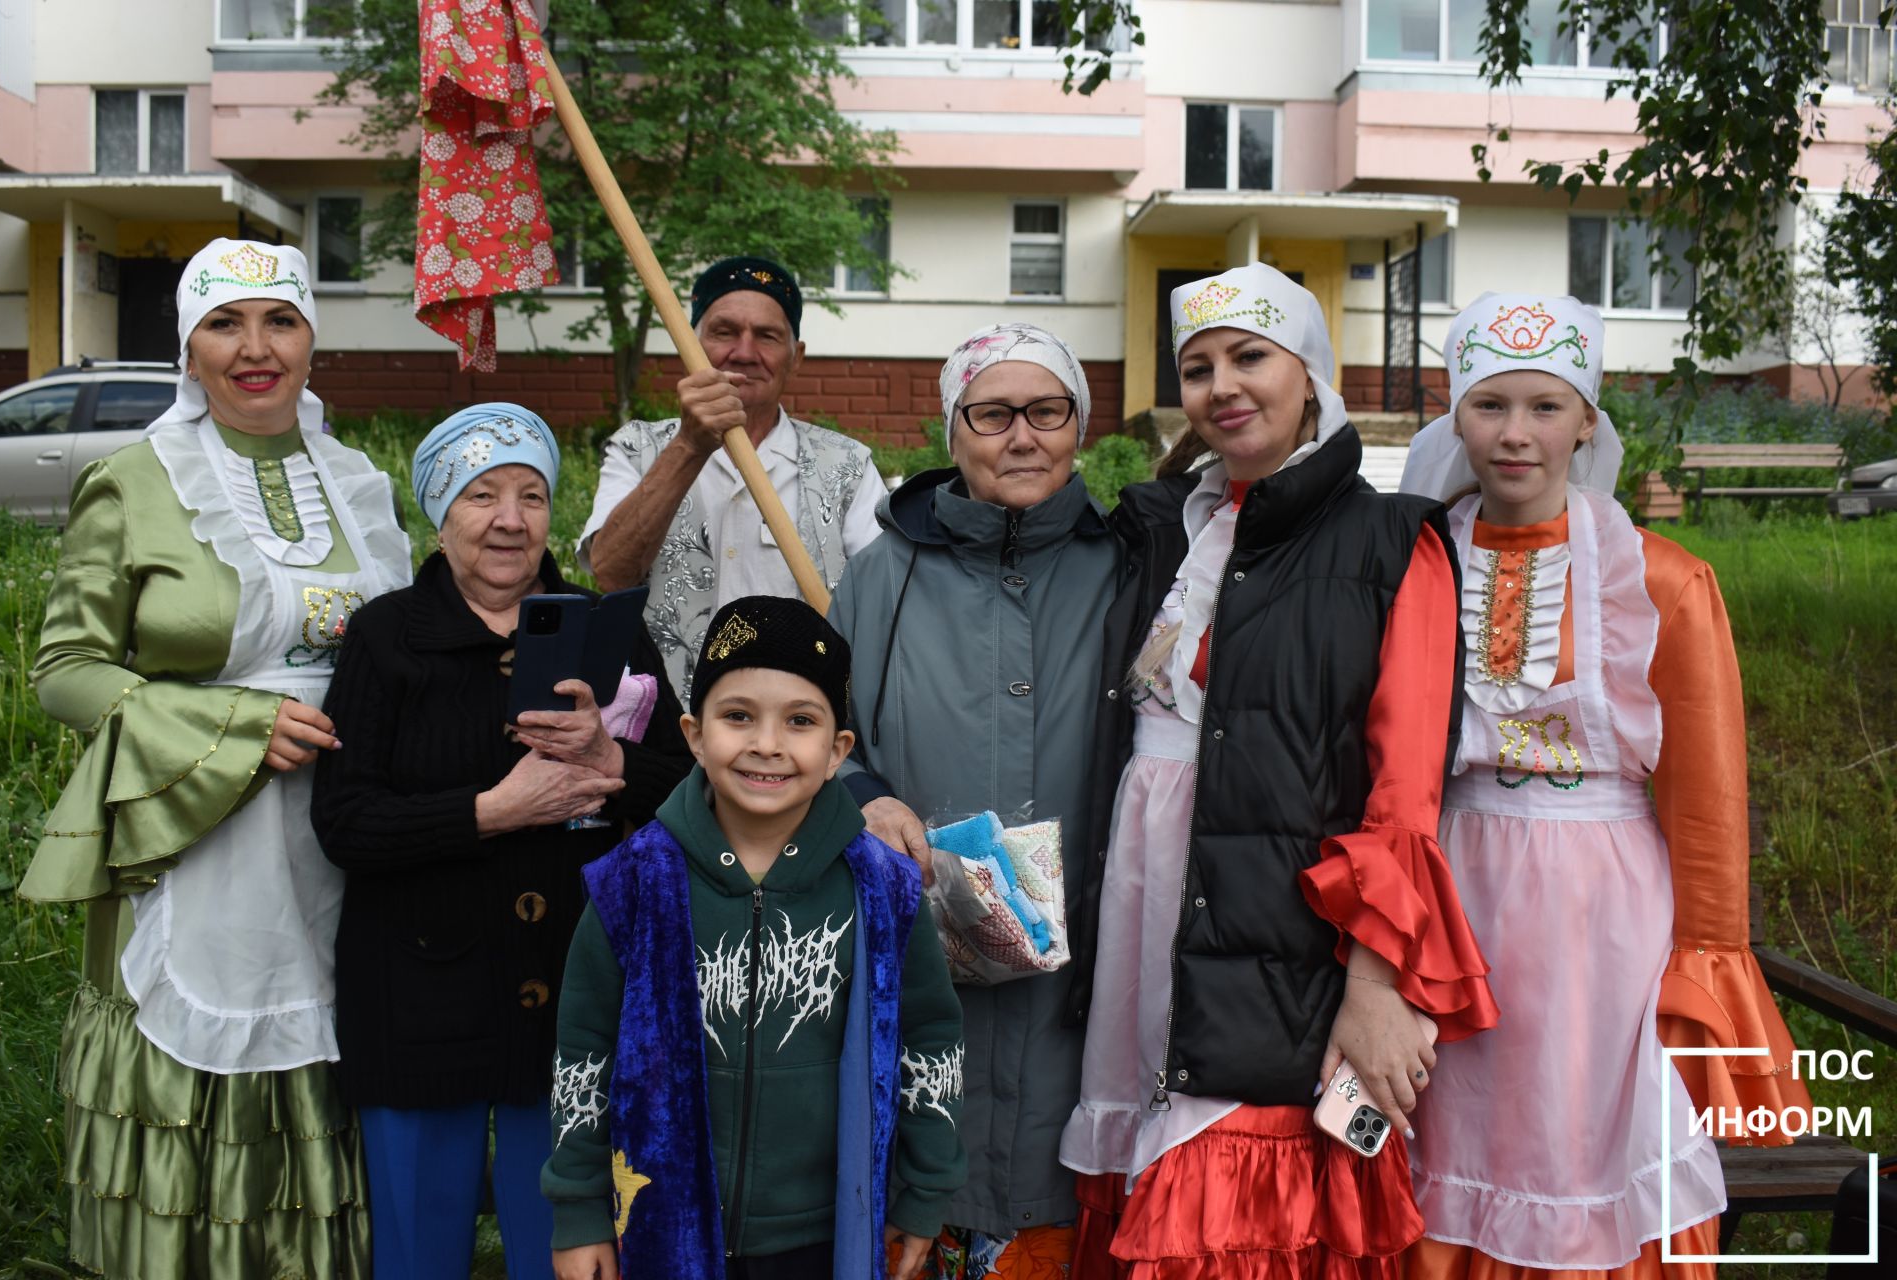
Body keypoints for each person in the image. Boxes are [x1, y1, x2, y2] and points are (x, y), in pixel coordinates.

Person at [1060, 263, 1501, 1278]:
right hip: (1141, 894)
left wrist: (1376, 976)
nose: (1224, 384)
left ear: (1310, 372)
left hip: (1283, 917)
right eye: (1199, 366)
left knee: (1245, 1193)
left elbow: (1404, 789)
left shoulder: (1392, 540)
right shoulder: (1165, 529)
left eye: (1251, 356)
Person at [1396, 294, 1812, 1276]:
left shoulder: (1662, 580)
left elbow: (1707, 801)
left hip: (1606, 916)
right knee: (1458, 1127)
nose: (1516, 433)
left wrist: (1704, 961)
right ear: (1456, 416)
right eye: (1490, 404)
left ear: (1588, 419)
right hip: (1454, 891)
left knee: (1585, 1135)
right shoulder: (1412, 564)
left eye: (1546, 406)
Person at [19, 238, 412, 1277]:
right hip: (186, 826)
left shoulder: (360, 483)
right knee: (196, 1031)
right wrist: (230, 730)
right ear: (187, 348)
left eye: (278, 321)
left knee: (327, 1026)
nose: (254, 348)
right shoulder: (137, 479)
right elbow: (66, 666)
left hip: (336, 833)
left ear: (310, 341)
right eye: (223, 324)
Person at [307, 404, 691, 1280]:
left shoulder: (611, 630)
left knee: (567, 1245)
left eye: (531, 495)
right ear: (439, 517)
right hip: (413, 994)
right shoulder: (385, 639)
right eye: (481, 496)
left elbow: (687, 794)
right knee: (416, 1242)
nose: (510, 519)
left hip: (574, 996)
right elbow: (345, 822)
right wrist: (491, 810)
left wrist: (614, 762)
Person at [542, 595, 968, 1280]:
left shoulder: (882, 890)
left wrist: (925, 1192)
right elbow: (582, 1055)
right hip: (662, 1223)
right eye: (738, 716)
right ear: (694, 735)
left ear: (836, 752)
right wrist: (580, 1210)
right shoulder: (633, 883)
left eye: (799, 721)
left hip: (826, 1231)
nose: (767, 744)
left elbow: (931, 1039)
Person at [829, 322, 1118, 1278]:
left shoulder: (1134, 570)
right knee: (926, 1168)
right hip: (924, 952)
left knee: (1063, 1182)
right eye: (992, 414)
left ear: (1081, 426)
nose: (1021, 436)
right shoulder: (879, 579)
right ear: (953, 434)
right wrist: (861, 793)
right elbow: (817, 741)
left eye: (1047, 411)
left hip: (1090, 973)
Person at [577, 255, 889, 701]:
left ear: (795, 358)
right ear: (691, 345)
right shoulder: (637, 449)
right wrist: (689, 445)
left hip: (801, 729)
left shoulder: (848, 466)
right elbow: (611, 573)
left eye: (767, 336)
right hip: (666, 727)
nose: (744, 353)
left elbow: (884, 605)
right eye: (724, 332)